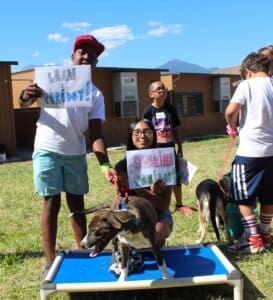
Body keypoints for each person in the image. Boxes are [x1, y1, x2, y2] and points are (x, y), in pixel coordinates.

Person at [18, 34, 117, 275]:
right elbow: (23, 103)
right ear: (72, 56)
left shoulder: (94, 94)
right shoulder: (49, 80)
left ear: (96, 62)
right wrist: (26, 95)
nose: (86, 57)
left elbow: (96, 133)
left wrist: (105, 165)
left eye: (92, 54)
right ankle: (49, 259)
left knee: (77, 204)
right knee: (51, 202)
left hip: (75, 153)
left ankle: (83, 251)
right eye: (82, 51)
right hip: (47, 148)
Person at [225, 52, 273, 254]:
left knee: (242, 195)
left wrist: (232, 125)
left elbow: (230, 110)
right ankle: (265, 234)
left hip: (250, 151)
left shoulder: (246, 85)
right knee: (269, 195)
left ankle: (252, 239)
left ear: (248, 71)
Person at [115, 119, 173, 248]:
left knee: (155, 240)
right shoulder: (121, 167)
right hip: (131, 215)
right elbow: (122, 203)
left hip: (158, 215)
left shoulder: (165, 163)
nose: (142, 136)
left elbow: (163, 206)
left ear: (154, 134)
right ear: (131, 136)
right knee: (130, 243)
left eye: (147, 132)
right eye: (137, 132)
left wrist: (137, 188)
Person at [143, 80, 193, 215]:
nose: (162, 91)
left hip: (170, 147)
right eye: (158, 89)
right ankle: (155, 203)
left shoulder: (171, 109)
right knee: (156, 178)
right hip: (155, 149)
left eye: (164, 89)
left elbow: (175, 128)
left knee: (175, 176)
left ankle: (179, 204)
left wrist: (179, 144)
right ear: (151, 94)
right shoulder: (148, 111)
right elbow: (145, 131)